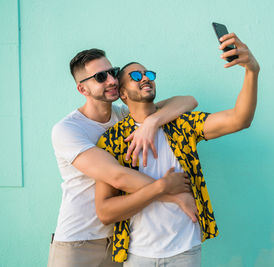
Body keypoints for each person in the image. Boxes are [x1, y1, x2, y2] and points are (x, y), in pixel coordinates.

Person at [95, 32, 260, 267]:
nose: (145, 78)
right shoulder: (113, 141)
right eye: (135, 75)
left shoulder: (180, 124)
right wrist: (161, 187)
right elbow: (105, 212)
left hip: (185, 251)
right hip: (138, 254)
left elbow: (239, 119)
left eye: (149, 74)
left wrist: (252, 71)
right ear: (122, 93)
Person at [48, 48, 199, 267]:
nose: (111, 80)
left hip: (121, 240)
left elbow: (187, 101)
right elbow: (118, 176)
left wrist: (151, 122)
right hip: (78, 242)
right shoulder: (68, 130)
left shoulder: (123, 115)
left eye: (112, 72)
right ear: (82, 89)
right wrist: (173, 194)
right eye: (101, 77)